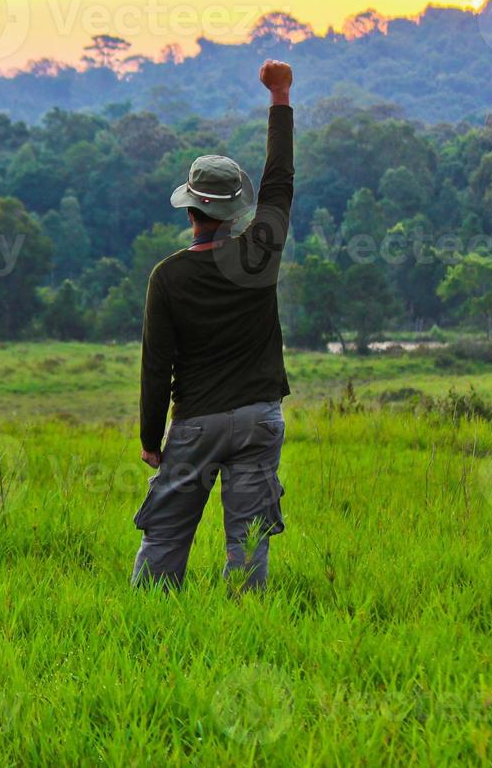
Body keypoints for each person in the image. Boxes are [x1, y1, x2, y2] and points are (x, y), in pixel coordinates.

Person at [131, 60, 295, 591]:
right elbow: (279, 180)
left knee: (164, 540)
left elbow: (157, 366)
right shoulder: (261, 251)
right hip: (258, 419)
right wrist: (279, 95)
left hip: (196, 423)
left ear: (191, 211)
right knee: (248, 544)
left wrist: (151, 437)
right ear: (235, 212)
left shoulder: (168, 277)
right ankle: (245, 629)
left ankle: (147, 630)